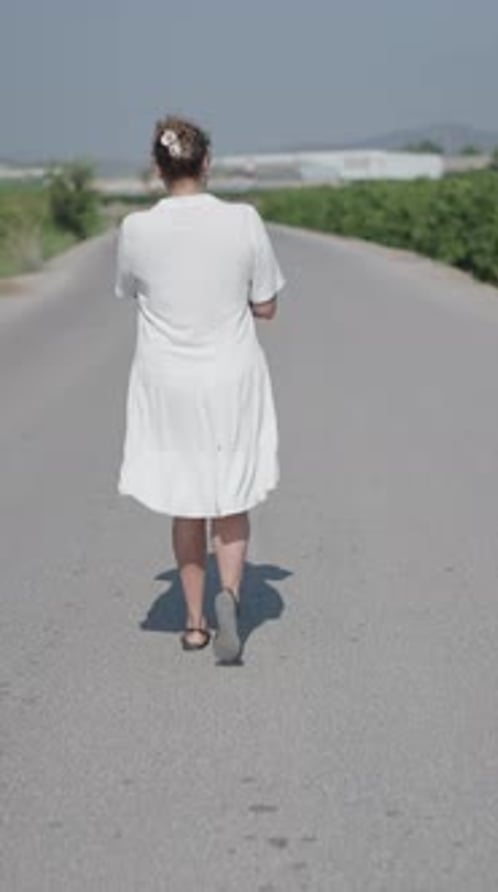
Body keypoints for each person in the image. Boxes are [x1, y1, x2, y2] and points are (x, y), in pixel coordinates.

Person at [114, 115, 286, 663]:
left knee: (187, 499)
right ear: (207, 162)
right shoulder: (244, 220)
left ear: (157, 167)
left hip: (168, 381)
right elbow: (266, 305)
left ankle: (194, 625)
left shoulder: (135, 228)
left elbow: (129, 289)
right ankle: (228, 595)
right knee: (230, 494)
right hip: (230, 375)